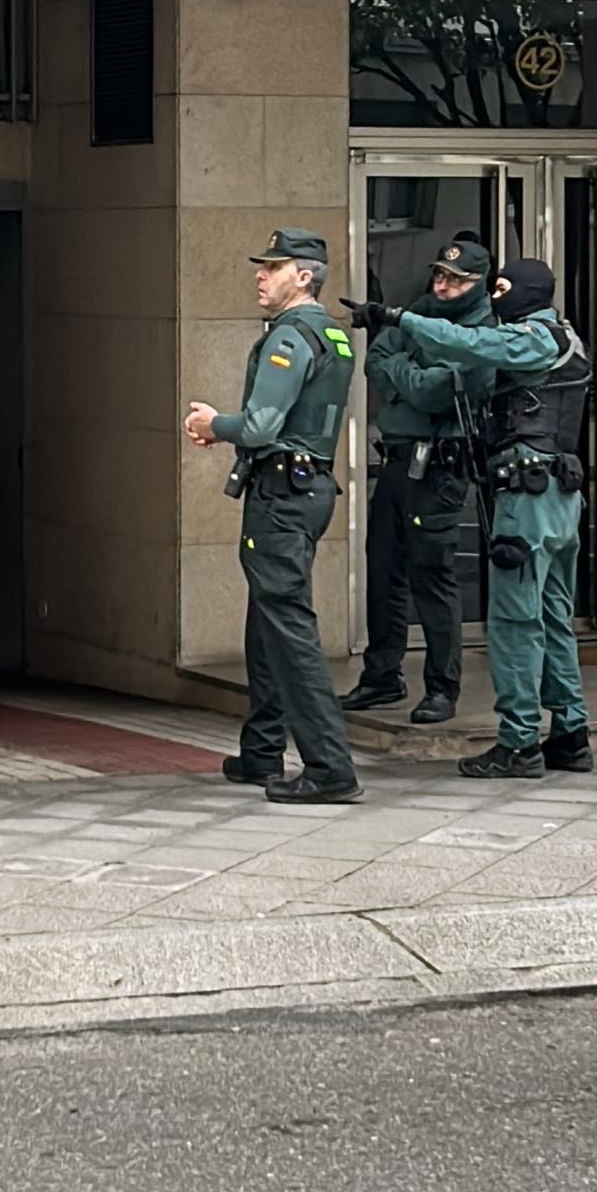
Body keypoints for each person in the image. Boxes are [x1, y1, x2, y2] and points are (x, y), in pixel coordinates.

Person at [374, 260, 593, 780]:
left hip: (530, 497)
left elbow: (472, 346)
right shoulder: (566, 338)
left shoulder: (535, 338)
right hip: (555, 496)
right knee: (553, 619)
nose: (497, 298)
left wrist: (399, 319)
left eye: (502, 288)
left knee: (516, 622)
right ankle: (569, 732)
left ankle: (519, 742)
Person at [184, 229, 362, 805]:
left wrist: (216, 424)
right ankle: (261, 750)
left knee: (287, 626)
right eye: (261, 266)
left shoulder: (291, 333)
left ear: (304, 276)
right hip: (306, 489)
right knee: (268, 618)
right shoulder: (332, 332)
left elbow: (261, 425)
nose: (260, 275)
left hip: (282, 496)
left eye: (274, 267)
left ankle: (330, 767)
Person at [340, 239, 494, 725]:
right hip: (397, 461)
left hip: (441, 469)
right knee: (383, 569)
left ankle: (441, 688)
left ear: (477, 283)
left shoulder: (482, 331)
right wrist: (412, 373)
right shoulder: (416, 315)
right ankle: (382, 676)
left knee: (433, 577)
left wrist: (404, 375)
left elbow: (437, 393)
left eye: (455, 280)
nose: (443, 286)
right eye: (439, 276)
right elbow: (375, 362)